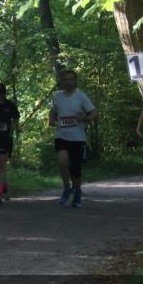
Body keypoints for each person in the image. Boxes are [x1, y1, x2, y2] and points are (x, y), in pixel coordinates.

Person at [48, 70, 97, 208]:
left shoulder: (81, 96)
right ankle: (66, 188)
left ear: (75, 81)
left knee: (75, 168)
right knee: (62, 162)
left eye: (71, 79)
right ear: (62, 81)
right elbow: (53, 111)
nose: (68, 82)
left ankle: (77, 193)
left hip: (77, 138)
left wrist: (85, 118)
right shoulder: (57, 96)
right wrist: (51, 119)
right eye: (66, 79)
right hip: (61, 135)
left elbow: (94, 112)